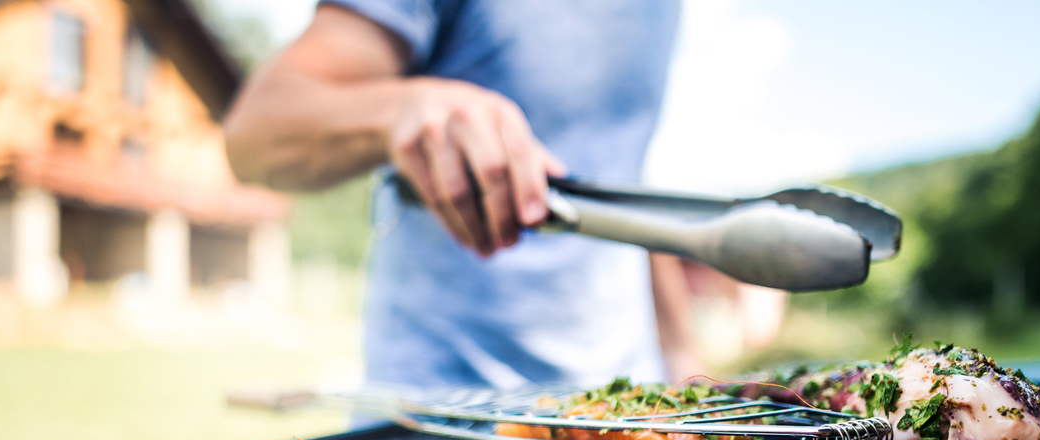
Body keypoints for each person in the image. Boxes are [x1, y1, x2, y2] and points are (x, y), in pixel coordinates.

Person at [224, 0, 701, 389]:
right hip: (438, 419)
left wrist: (682, 356)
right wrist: (403, 107)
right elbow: (254, 133)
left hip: (622, 404)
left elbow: (621, 172)